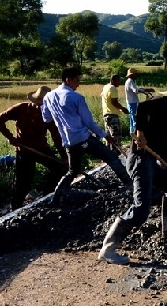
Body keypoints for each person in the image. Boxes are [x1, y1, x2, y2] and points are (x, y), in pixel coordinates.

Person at [98, 78, 167, 264]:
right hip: (139, 161)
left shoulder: (166, 110)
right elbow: (140, 108)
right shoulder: (157, 104)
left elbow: (162, 144)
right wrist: (140, 133)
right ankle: (108, 249)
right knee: (141, 208)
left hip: (151, 161)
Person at [42, 67, 133, 206]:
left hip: (68, 142)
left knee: (73, 171)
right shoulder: (76, 97)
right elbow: (89, 122)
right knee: (111, 157)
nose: (78, 84)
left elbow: (46, 118)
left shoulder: (48, 97)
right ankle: (130, 184)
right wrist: (105, 135)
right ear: (68, 80)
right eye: (77, 80)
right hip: (83, 138)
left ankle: (57, 197)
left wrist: (62, 118)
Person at [0, 86, 66, 210]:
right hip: (24, 150)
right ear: (35, 102)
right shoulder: (20, 109)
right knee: (22, 182)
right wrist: (11, 137)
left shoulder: (48, 115)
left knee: (59, 169)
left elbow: (56, 136)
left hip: (41, 148)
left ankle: (48, 195)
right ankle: (15, 209)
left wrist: (64, 156)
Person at [101, 74, 129, 151]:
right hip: (112, 116)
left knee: (108, 138)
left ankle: (108, 154)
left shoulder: (105, 87)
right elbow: (114, 102)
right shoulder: (113, 88)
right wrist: (122, 108)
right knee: (116, 137)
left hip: (106, 115)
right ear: (113, 80)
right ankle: (116, 154)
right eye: (118, 81)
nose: (119, 83)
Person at [123, 68, 154, 139]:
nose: (136, 75)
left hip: (132, 103)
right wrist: (146, 90)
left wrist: (144, 92)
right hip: (132, 103)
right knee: (135, 120)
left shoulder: (130, 81)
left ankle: (134, 137)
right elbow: (135, 90)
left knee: (133, 120)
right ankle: (137, 137)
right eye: (135, 74)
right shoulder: (130, 81)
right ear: (132, 75)